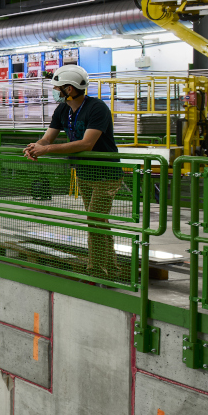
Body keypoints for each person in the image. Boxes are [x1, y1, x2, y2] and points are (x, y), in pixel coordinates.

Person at [22, 65, 123, 278]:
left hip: (106, 174)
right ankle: (112, 269)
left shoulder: (97, 108)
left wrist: (46, 149)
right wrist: (36, 146)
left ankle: (96, 270)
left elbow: (87, 143)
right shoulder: (63, 110)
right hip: (84, 172)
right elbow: (47, 138)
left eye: (57, 87)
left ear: (69, 89)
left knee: (95, 220)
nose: (55, 91)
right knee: (99, 221)